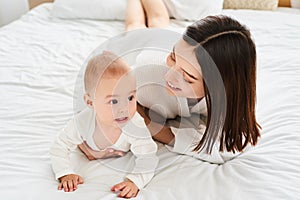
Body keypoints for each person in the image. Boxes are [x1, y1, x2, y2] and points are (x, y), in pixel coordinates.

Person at [79, 15, 261, 164]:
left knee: (158, 20)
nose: (170, 77)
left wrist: (148, 121)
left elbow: (227, 149)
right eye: (173, 57)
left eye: (187, 77)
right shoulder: (145, 78)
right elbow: (96, 103)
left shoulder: (232, 96)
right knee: (137, 26)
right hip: (141, 52)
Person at [50, 52, 158, 198]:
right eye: (113, 101)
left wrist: (135, 181)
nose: (124, 108)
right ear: (90, 102)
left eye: (130, 97)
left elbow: (148, 156)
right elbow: (59, 147)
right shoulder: (82, 122)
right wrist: (65, 173)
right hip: (89, 144)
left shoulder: (134, 124)